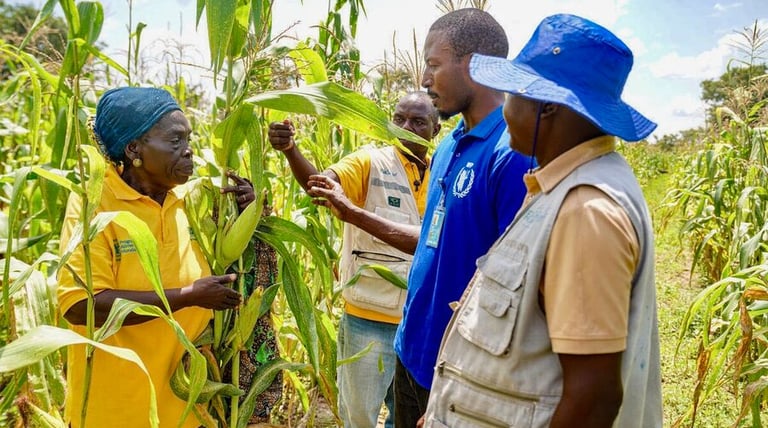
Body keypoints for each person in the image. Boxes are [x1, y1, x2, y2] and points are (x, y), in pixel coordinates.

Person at [423, 13, 663, 428]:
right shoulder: (561, 186)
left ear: (547, 106)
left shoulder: (586, 211)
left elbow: (593, 397)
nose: (505, 108)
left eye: (514, 93)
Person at [57, 86, 253, 428]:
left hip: (188, 407)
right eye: (175, 141)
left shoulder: (193, 199)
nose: (189, 150)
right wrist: (188, 296)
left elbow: (235, 261)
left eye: (188, 139)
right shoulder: (94, 205)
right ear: (134, 149)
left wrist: (248, 210)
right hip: (117, 411)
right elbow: (80, 306)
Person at [379, 9, 534, 427]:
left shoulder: (512, 154)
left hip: (459, 373)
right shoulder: (448, 145)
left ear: (475, 65)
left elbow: (517, 292)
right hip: (412, 350)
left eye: (433, 65)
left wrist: (468, 386)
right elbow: (439, 239)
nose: (424, 79)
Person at [267, 91, 441, 428]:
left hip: (420, 322)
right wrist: (291, 150)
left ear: (436, 129)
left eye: (418, 122)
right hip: (369, 318)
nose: (406, 127)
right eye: (399, 119)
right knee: (359, 416)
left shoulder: (443, 170)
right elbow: (320, 185)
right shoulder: (369, 162)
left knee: (407, 416)